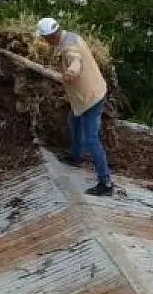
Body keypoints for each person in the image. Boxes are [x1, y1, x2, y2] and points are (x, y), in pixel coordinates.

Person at [37, 17, 114, 198]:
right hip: (89, 93)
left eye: (44, 38)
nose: (44, 42)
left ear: (50, 37)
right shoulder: (71, 36)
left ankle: (106, 183)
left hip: (90, 99)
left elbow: (75, 60)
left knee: (92, 140)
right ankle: (76, 156)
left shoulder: (69, 48)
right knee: (73, 120)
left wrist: (71, 72)